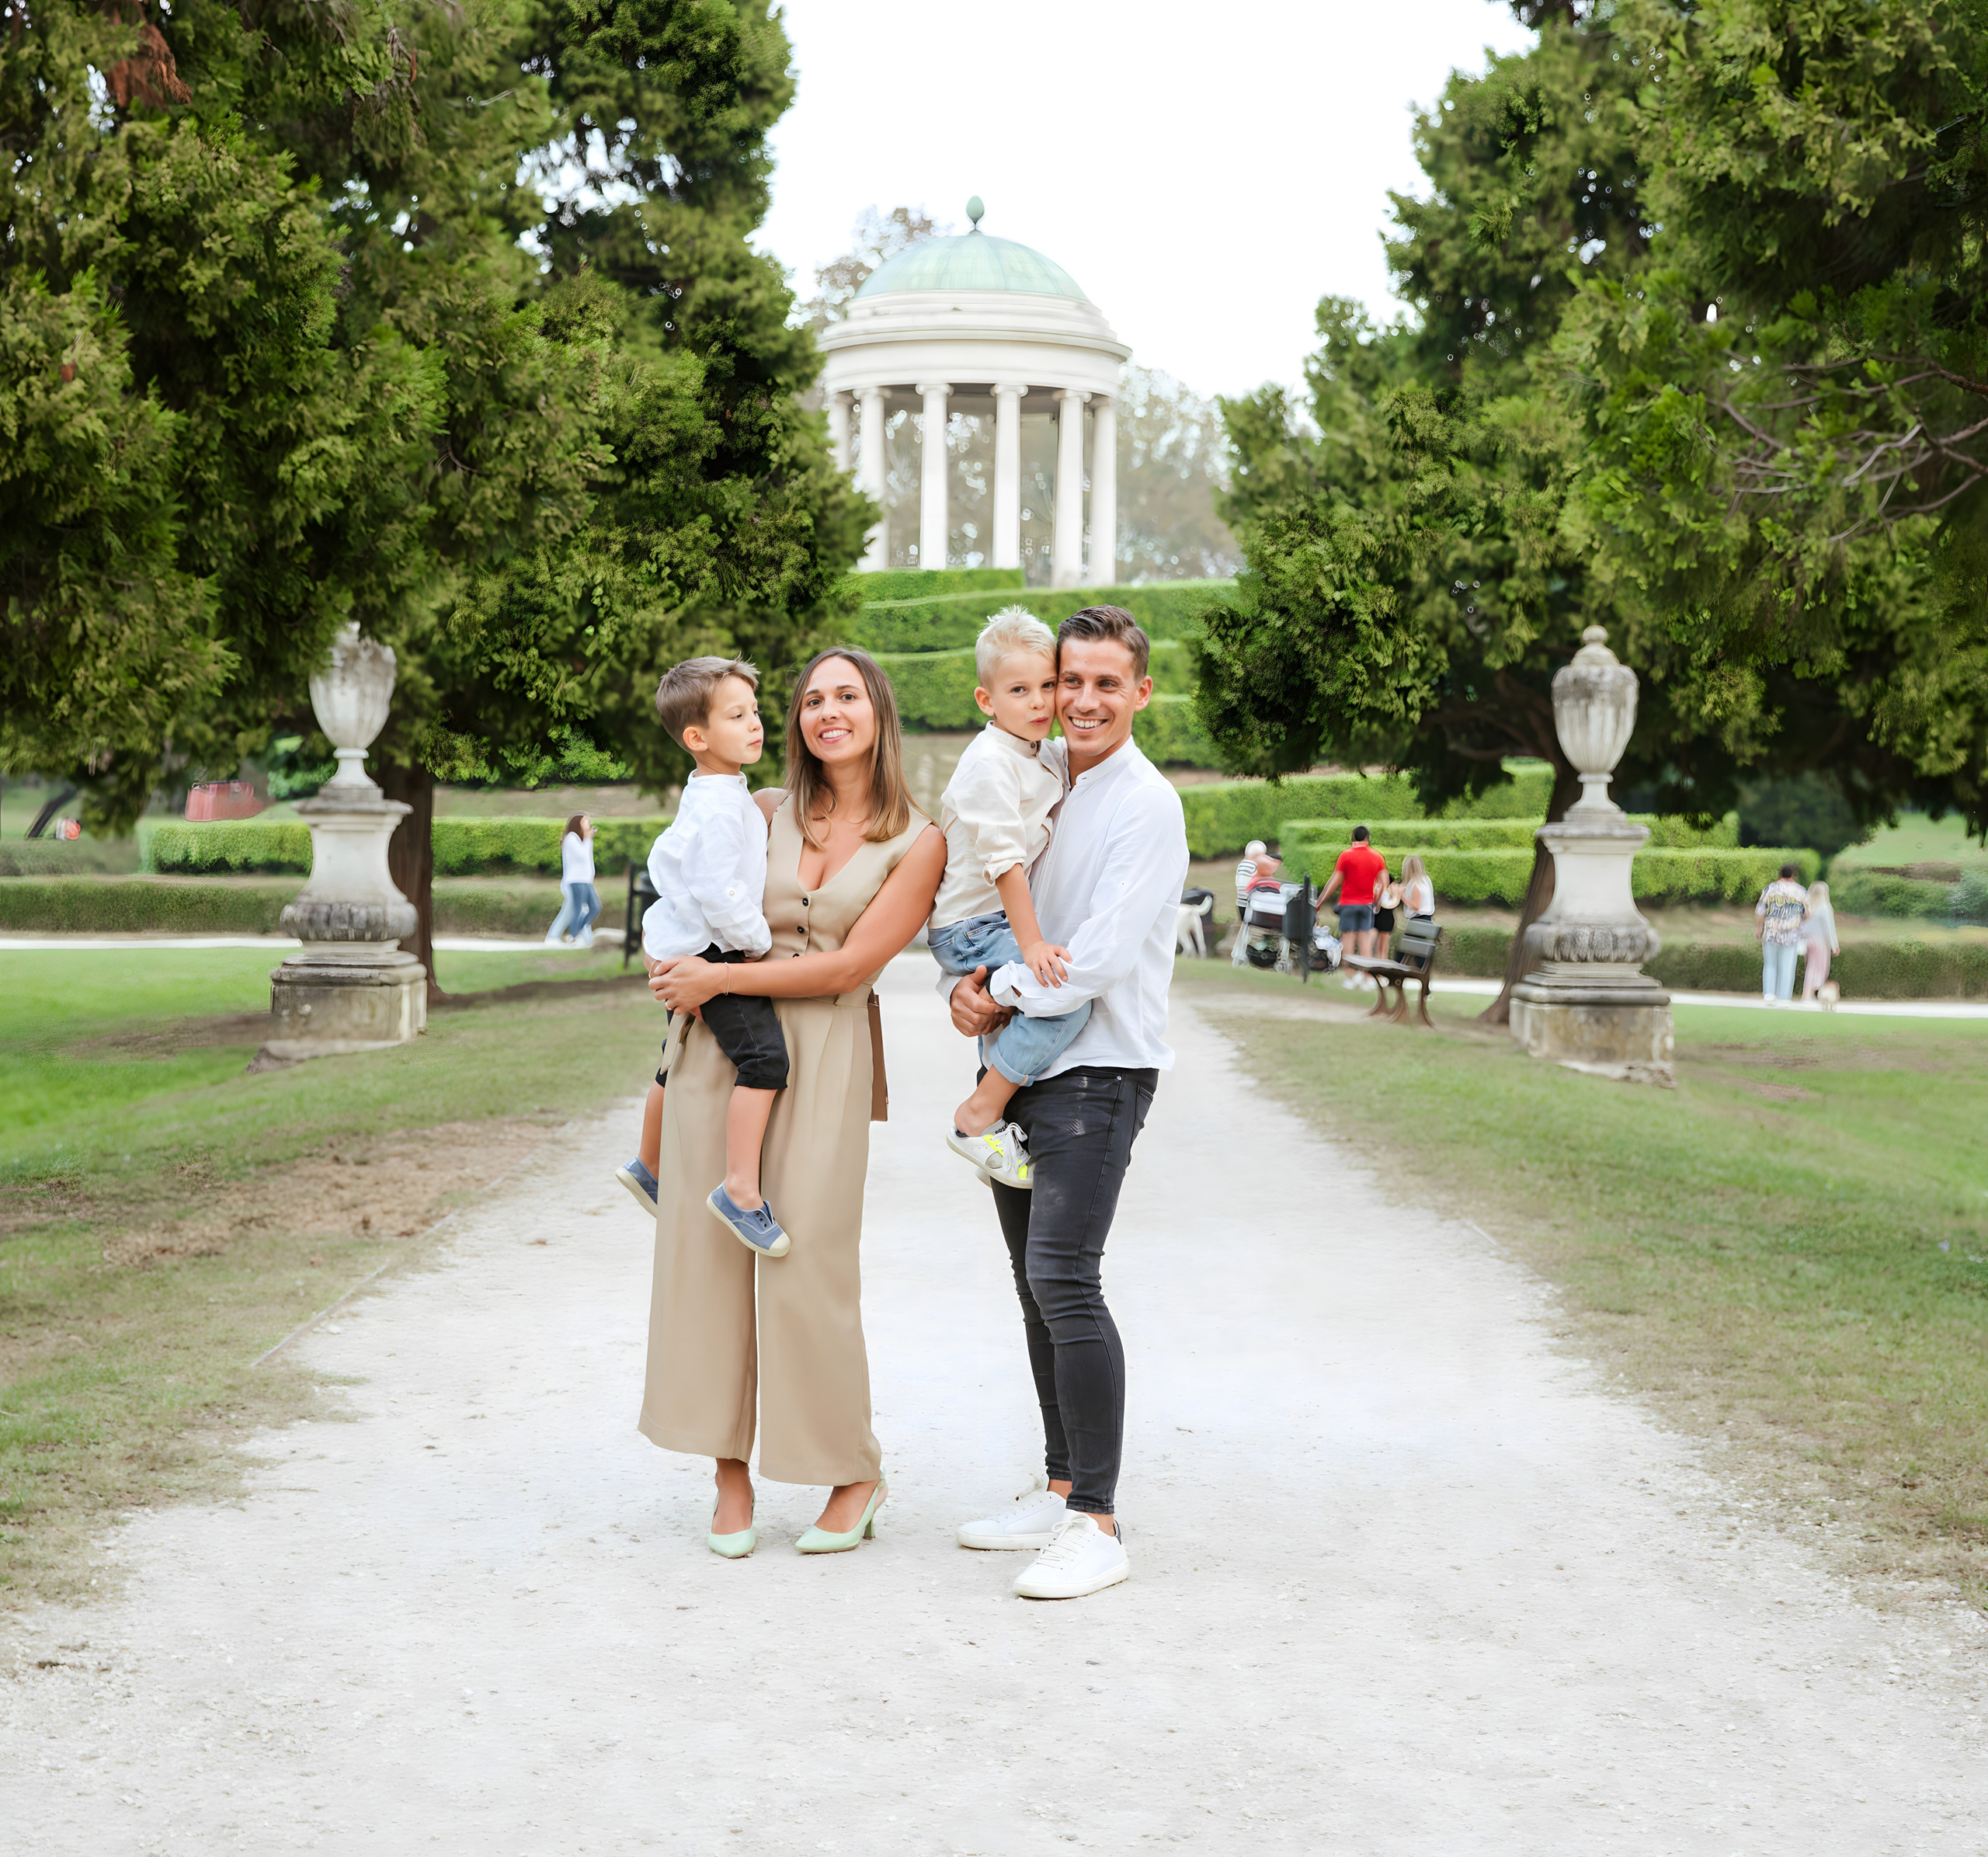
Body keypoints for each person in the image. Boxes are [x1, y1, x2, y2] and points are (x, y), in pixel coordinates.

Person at [644, 649, 945, 1559]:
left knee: (808, 1267)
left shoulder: (918, 840)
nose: (827, 712)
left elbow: (852, 966)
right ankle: (728, 1478)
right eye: (812, 699)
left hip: (826, 1052)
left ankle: (853, 1471)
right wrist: (677, 968)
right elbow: (688, 889)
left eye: (846, 695)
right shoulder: (761, 808)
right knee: (708, 1263)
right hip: (720, 1050)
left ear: (878, 711)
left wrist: (716, 978)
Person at [944, 606, 1188, 1601]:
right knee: (1033, 1285)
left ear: (1139, 693)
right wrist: (972, 991)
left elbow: (1093, 959)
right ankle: (1058, 1489)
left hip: (1101, 1070)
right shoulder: (1041, 778)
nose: (1079, 700)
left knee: (1065, 1279)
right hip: (1031, 1066)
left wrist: (996, 991)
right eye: (1066, 680)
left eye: (1102, 683)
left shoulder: (1145, 804)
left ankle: (1096, 1520)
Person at [624, 656, 790, 1255]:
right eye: (737, 715)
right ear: (697, 737)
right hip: (711, 948)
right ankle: (739, 1189)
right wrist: (758, 943)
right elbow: (719, 891)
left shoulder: (713, 792)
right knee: (765, 1060)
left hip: (681, 942)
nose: (756, 724)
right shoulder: (721, 808)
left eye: (755, 711)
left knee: (673, 1055)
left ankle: (648, 1164)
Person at [926, 608, 1088, 1188]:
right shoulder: (989, 764)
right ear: (986, 700)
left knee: (1013, 1009)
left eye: (1048, 685)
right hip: (973, 924)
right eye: (1019, 690)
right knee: (1063, 994)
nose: (1039, 702)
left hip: (991, 919)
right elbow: (1004, 866)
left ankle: (994, 1126)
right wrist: (1034, 944)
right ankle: (978, 1114)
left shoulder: (1038, 750)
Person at [1314, 825, 1388, 989]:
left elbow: (1335, 880)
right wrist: (1376, 903)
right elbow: (1383, 884)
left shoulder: (1345, 855)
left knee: (1348, 942)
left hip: (1348, 904)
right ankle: (1367, 979)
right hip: (1366, 905)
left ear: (1353, 837)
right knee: (1365, 944)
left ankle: (1350, 977)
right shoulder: (1377, 857)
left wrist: (1319, 902)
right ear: (1367, 838)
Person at [1754, 861, 1809, 1003]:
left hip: (1771, 932)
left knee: (1770, 964)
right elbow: (1807, 914)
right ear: (1794, 876)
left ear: (1780, 874)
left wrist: (1759, 928)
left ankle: (1769, 994)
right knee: (1787, 967)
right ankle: (1784, 997)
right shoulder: (1801, 891)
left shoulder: (1770, 888)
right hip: (1791, 934)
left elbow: (1760, 910)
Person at [544, 815, 600, 947]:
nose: (588, 823)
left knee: (592, 908)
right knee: (575, 911)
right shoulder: (571, 838)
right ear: (577, 824)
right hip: (574, 881)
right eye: (585, 821)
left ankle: (576, 935)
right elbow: (582, 857)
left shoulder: (581, 840)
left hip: (585, 882)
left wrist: (588, 840)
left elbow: (588, 860)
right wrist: (588, 839)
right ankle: (561, 937)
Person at [1229, 840, 1281, 967]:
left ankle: (1240, 954)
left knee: (1245, 931)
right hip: (1253, 906)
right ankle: (1260, 951)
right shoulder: (1255, 866)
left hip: (1241, 904)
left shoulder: (1242, 864)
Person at [1799, 878, 1839, 1003]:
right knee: (1817, 968)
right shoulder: (1825, 907)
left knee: (1810, 967)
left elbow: (1802, 926)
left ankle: (1808, 994)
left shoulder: (1808, 907)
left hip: (1808, 941)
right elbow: (1829, 928)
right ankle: (1807, 995)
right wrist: (1834, 945)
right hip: (1820, 942)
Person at [1400, 852, 1435, 921]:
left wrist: (1401, 895)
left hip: (1419, 920)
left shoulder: (1416, 884)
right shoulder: (1425, 878)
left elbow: (1416, 907)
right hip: (1426, 919)